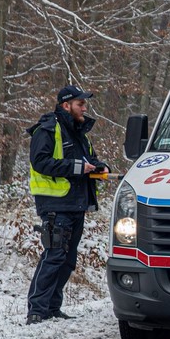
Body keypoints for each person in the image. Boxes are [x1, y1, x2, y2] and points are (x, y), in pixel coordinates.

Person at [26, 85, 108, 324]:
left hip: (76, 205)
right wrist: (77, 167)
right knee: (54, 256)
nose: (85, 108)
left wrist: (100, 166)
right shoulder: (47, 128)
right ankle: (36, 310)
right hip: (56, 205)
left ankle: (52, 308)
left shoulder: (79, 132)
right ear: (66, 105)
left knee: (68, 260)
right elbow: (40, 162)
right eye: (80, 104)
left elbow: (89, 159)